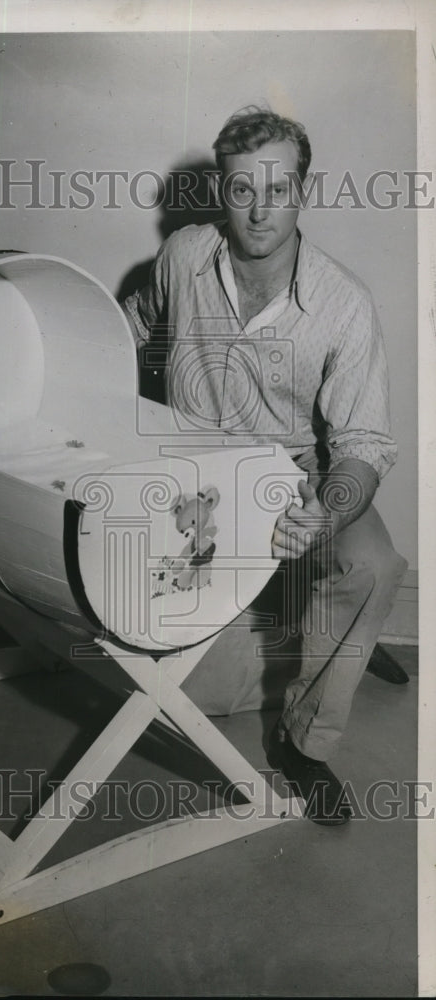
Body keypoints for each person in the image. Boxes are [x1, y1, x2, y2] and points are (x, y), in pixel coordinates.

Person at [122, 107, 408, 825]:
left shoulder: (343, 304)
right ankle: (335, 640)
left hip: (297, 472)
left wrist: (326, 509)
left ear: (301, 193)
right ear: (223, 191)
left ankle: (304, 742)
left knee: (370, 566)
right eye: (242, 189)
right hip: (194, 471)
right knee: (178, 698)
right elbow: (130, 321)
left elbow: (363, 444)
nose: (258, 210)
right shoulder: (183, 256)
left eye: (276, 190)